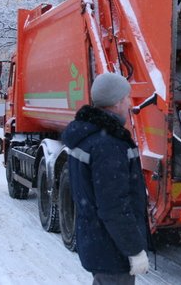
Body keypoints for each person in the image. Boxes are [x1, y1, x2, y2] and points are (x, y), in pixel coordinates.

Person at [61, 73, 151, 285]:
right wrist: (135, 250)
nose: (129, 103)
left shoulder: (88, 135)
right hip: (112, 251)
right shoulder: (109, 145)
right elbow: (114, 208)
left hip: (98, 242)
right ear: (117, 101)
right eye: (127, 98)